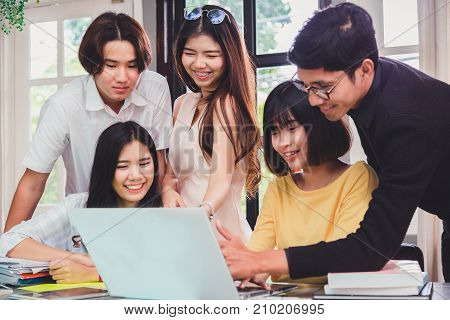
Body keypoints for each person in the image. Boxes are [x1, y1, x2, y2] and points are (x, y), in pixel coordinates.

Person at [220, 2, 450, 282]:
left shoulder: (405, 120)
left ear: (364, 70)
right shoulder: (367, 85)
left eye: (323, 87)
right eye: (307, 87)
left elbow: (372, 248)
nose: (314, 100)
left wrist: (259, 261)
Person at [5, 12, 172, 231]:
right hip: (86, 221)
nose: (123, 77)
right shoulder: (63, 105)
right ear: (92, 64)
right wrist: (7, 249)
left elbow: (159, 162)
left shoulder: (155, 87)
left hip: (143, 217)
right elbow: (33, 183)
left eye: (132, 66)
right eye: (111, 66)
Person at [217, 81, 378, 285]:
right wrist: (242, 267)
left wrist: (261, 263)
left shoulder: (357, 178)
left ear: (319, 125)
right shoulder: (278, 189)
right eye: (274, 132)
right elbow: (257, 258)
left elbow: (342, 261)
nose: (282, 142)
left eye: (292, 128)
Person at [0, 121, 161, 283]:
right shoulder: (78, 206)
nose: (136, 175)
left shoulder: (163, 215)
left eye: (144, 164)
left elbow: (164, 272)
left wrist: (94, 274)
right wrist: (78, 259)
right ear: (106, 169)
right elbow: (8, 241)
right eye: (122, 166)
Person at [162, 5, 261, 241]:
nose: (199, 64)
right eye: (190, 52)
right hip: (185, 232)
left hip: (220, 235)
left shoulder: (228, 105)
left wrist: (202, 213)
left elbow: (220, 179)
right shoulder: (182, 103)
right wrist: (167, 191)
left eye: (211, 55)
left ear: (229, 56)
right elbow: (170, 173)